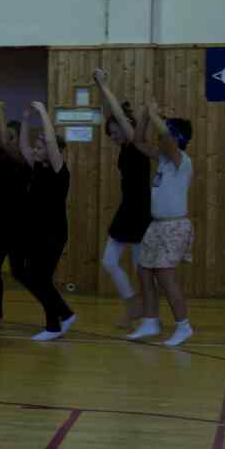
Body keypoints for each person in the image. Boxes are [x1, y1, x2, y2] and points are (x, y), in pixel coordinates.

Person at [127, 100, 194, 348]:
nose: (160, 137)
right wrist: (146, 116)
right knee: (144, 270)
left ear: (177, 139)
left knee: (165, 276)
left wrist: (155, 114)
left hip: (174, 226)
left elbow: (165, 136)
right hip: (156, 226)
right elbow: (137, 141)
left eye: (167, 133)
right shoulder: (163, 160)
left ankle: (183, 326)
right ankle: (150, 321)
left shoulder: (181, 160)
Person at [94, 69, 151, 328]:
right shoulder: (126, 147)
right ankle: (133, 305)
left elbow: (116, 114)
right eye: (110, 134)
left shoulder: (137, 143)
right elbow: (111, 114)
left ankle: (147, 312)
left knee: (141, 267)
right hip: (128, 208)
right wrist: (101, 90)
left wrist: (104, 85)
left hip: (141, 209)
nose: (113, 137)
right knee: (109, 261)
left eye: (115, 132)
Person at [15, 102, 75, 341]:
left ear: (54, 151)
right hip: (35, 231)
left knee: (40, 279)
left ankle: (54, 326)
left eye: (40, 147)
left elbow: (50, 142)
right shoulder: (38, 167)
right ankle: (64, 314)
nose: (35, 150)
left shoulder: (60, 171)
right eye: (37, 147)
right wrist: (25, 119)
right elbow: (23, 147)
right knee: (27, 275)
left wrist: (42, 113)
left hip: (53, 233)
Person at [0, 103, 29, 330]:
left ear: (20, 140)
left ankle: (54, 307)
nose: (7, 141)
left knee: (21, 273)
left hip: (20, 227)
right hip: (0, 225)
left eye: (12, 137)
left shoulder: (26, 160)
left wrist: (0, 110)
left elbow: (5, 142)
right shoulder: (1, 156)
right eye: (6, 137)